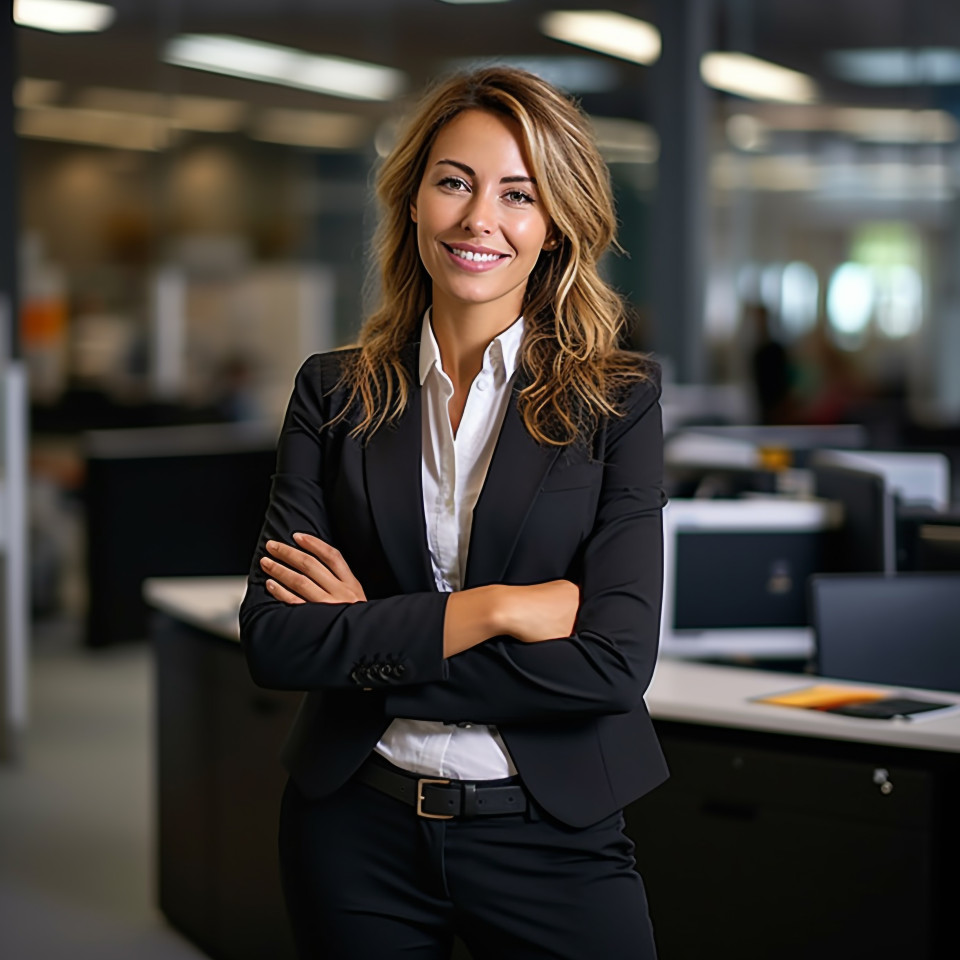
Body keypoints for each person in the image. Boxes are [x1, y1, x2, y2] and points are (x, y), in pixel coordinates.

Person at [239, 65, 667, 960]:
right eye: (454, 182)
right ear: (412, 201)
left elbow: (612, 666)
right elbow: (278, 642)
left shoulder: (615, 403)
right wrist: (499, 611)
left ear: (555, 227)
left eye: (520, 193)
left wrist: (363, 639)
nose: (480, 219)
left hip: (552, 835)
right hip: (356, 828)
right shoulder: (334, 392)